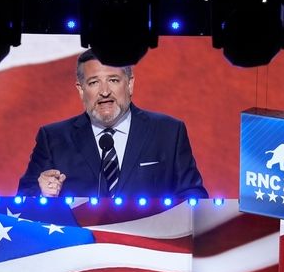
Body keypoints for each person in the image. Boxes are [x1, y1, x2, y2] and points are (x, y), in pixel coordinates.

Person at [17, 49, 208, 199]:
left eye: (114, 80)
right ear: (81, 90)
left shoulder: (168, 132)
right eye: (93, 83)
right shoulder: (53, 138)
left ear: (130, 84)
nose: (105, 92)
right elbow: (23, 199)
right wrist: (40, 194)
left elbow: (193, 195)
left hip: (152, 245)